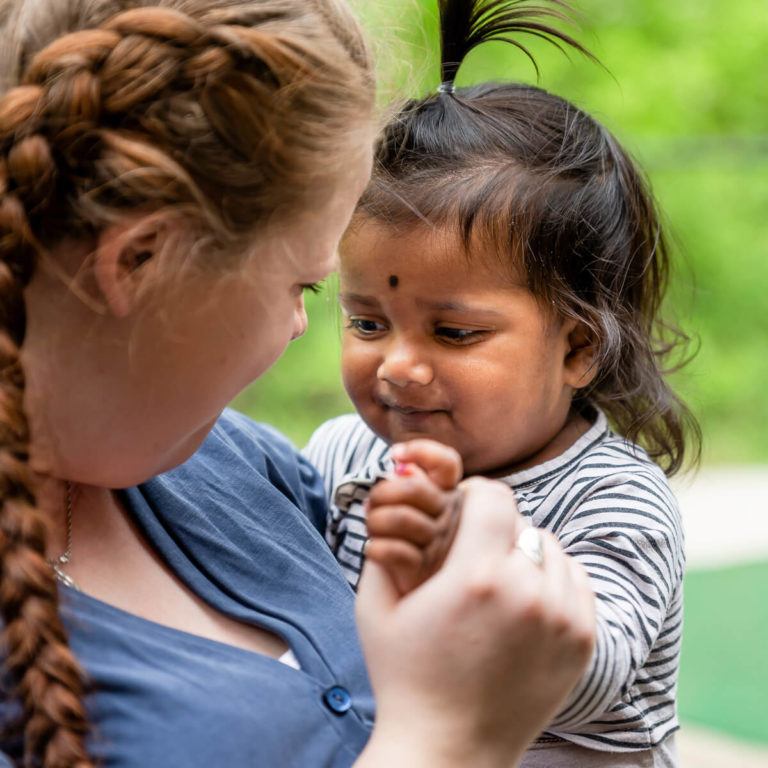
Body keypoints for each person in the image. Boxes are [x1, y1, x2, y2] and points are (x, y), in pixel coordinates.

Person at [0, 1, 597, 767]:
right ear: (141, 260)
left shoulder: (237, 465)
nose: (297, 326)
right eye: (302, 285)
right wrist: (449, 738)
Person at [303, 0, 702, 766]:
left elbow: (586, 671)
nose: (398, 365)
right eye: (368, 322)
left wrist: (460, 559)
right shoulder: (338, 456)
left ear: (578, 348)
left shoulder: (614, 497)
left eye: (454, 333)